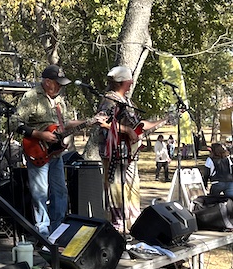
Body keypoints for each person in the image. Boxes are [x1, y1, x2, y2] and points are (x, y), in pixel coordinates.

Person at [13, 64, 100, 238]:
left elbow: (65, 124)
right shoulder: (31, 97)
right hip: (37, 151)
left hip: (55, 153)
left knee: (60, 192)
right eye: (57, 83)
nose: (60, 87)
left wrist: (90, 121)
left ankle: (57, 231)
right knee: (40, 193)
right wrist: (40, 134)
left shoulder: (59, 101)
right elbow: (15, 122)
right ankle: (43, 233)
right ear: (47, 82)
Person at [95, 65, 162, 233]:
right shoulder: (109, 100)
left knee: (132, 188)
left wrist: (161, 122)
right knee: (117, 189)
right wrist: (127, 130)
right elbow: (103, 122)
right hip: (115, 153)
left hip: (129, 153)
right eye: (130, 80)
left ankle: (133, 224)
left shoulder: (126, 101)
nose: (132, 83)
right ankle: (118, 227)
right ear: (125, 82)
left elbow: (138, 125)